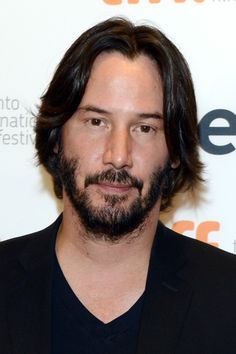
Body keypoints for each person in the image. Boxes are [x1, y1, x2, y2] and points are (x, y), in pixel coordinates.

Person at [1, 17, 236, 354]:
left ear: (173, 152)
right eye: (97, 122)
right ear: (57, 138)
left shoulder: (228, 296)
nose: (118, 156)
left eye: (144, 128)